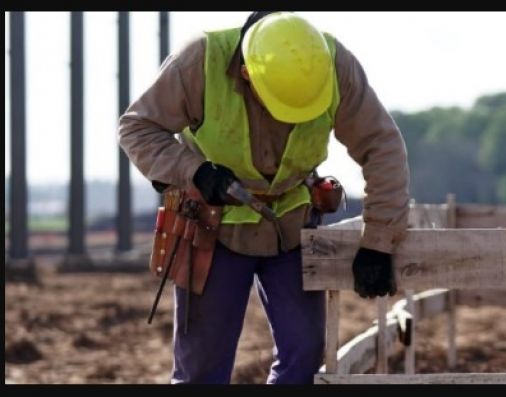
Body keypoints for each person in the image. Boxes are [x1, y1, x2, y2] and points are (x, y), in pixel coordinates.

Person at [118, 11, 410, 384]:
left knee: (305, 354)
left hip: (291, 227)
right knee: (202, 370)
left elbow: (381, 145)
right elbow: (137, 128)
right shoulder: (199, 61)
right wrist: (195, 171)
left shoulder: (332, 66)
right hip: (213, 228)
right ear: (244, 72)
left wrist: (379, 242)